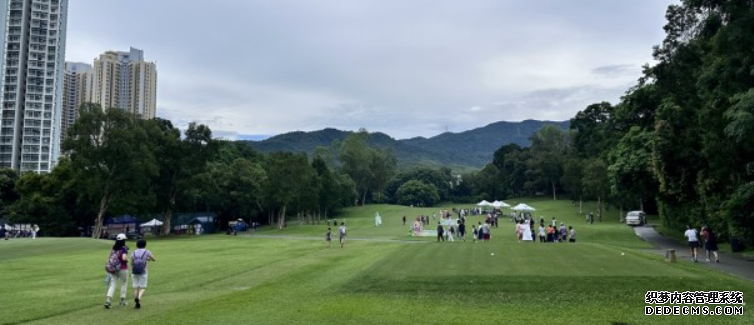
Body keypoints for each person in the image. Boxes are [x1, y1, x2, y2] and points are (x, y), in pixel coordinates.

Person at [105, 234, 129, 309]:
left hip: (113, 269)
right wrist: (127, 260)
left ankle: (108, 300)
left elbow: (110, 256)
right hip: (122, 268)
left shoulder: (113, 247)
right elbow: (124, 258)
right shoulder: (124, 248)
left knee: (113, 284)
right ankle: (122, 300)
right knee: (123, 283)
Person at [130, 239, 156, 309]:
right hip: (143, 271)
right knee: (143, 287)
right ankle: (139, 297)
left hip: (134, 272)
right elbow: (154, 259)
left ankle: (136, 302)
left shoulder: (133, 252)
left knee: (136, 287)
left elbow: (131, 263)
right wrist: (147, 259)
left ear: (137, 245)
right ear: (145, 245)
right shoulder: (147, 251)